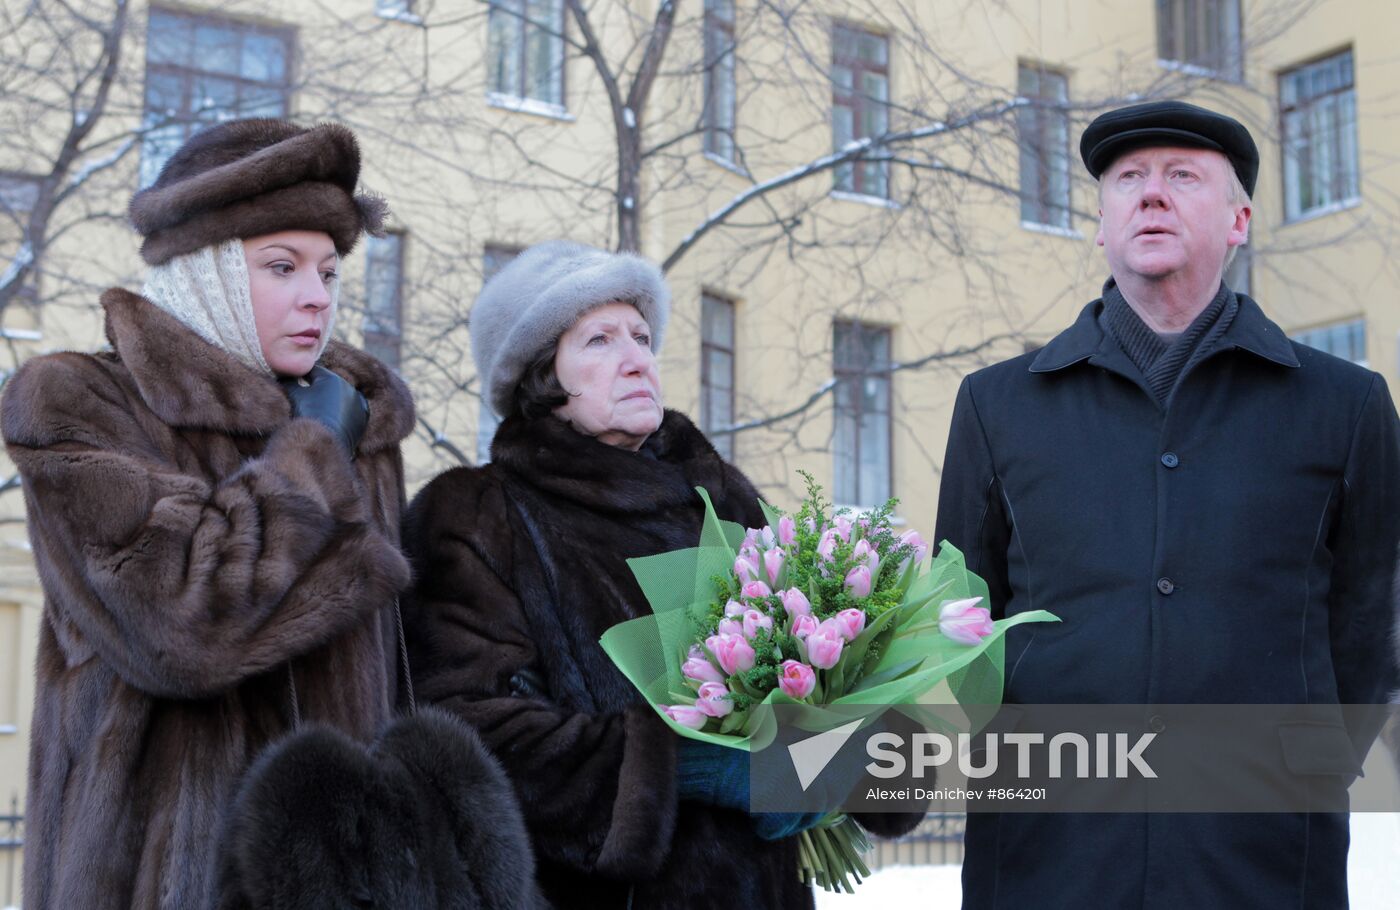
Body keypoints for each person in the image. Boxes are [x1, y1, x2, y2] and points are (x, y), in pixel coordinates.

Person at [935, 100, 1400, 908]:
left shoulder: (1347, 406)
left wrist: (1310, 761)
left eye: (1183, 176)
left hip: (1262, 857)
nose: (1151, 195)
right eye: (1128, 180)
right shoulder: (996, 405)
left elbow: (1373, 621)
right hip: (1047, 859)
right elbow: (960, 622)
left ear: (1239, 220)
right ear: (1101, 224)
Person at [402, 240, 920, 909]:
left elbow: (832, 664)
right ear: (541, 376)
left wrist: (837, 760)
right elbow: (462, 730)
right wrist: (687, 764)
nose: (636, 358)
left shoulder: (720, 499)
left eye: (642, 337)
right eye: (599, 340)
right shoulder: (477, 514)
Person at [1, 119, 418, 909]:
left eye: (329, 272)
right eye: (281, 266)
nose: (315, 297)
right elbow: (178, 628)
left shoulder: (350, 420)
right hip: (164, 877)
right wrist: (311, 460)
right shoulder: (78, 402)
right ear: (208, 272)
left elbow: (400, 675)